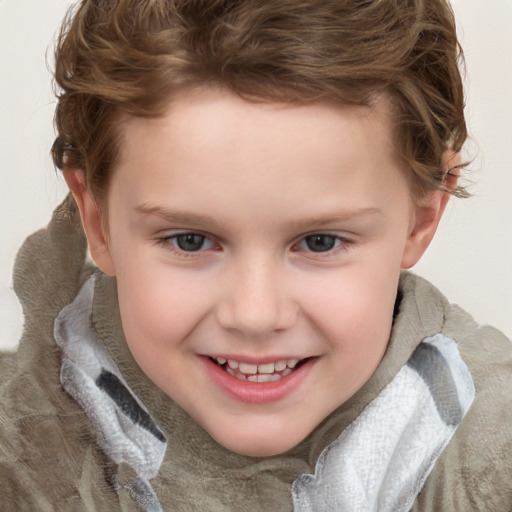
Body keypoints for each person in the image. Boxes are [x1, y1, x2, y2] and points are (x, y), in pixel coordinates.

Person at [1, 0, 511, 510]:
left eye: (320, 242)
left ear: (422, 216)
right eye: (190, 240)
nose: (254, 315)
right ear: (96, 220)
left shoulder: (493, 460)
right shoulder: (17, 441)